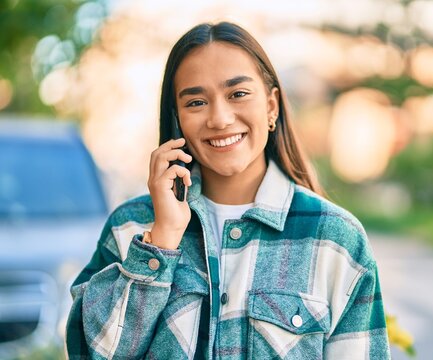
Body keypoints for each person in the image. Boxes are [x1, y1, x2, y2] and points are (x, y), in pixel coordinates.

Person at [66, 21, 390, 359]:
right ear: (177, 118)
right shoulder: (130, 228)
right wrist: (161, 242)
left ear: (271, 106)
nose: (219, 118)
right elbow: (92, 353)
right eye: (196, 102)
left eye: (237, 94)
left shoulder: (336, 239)